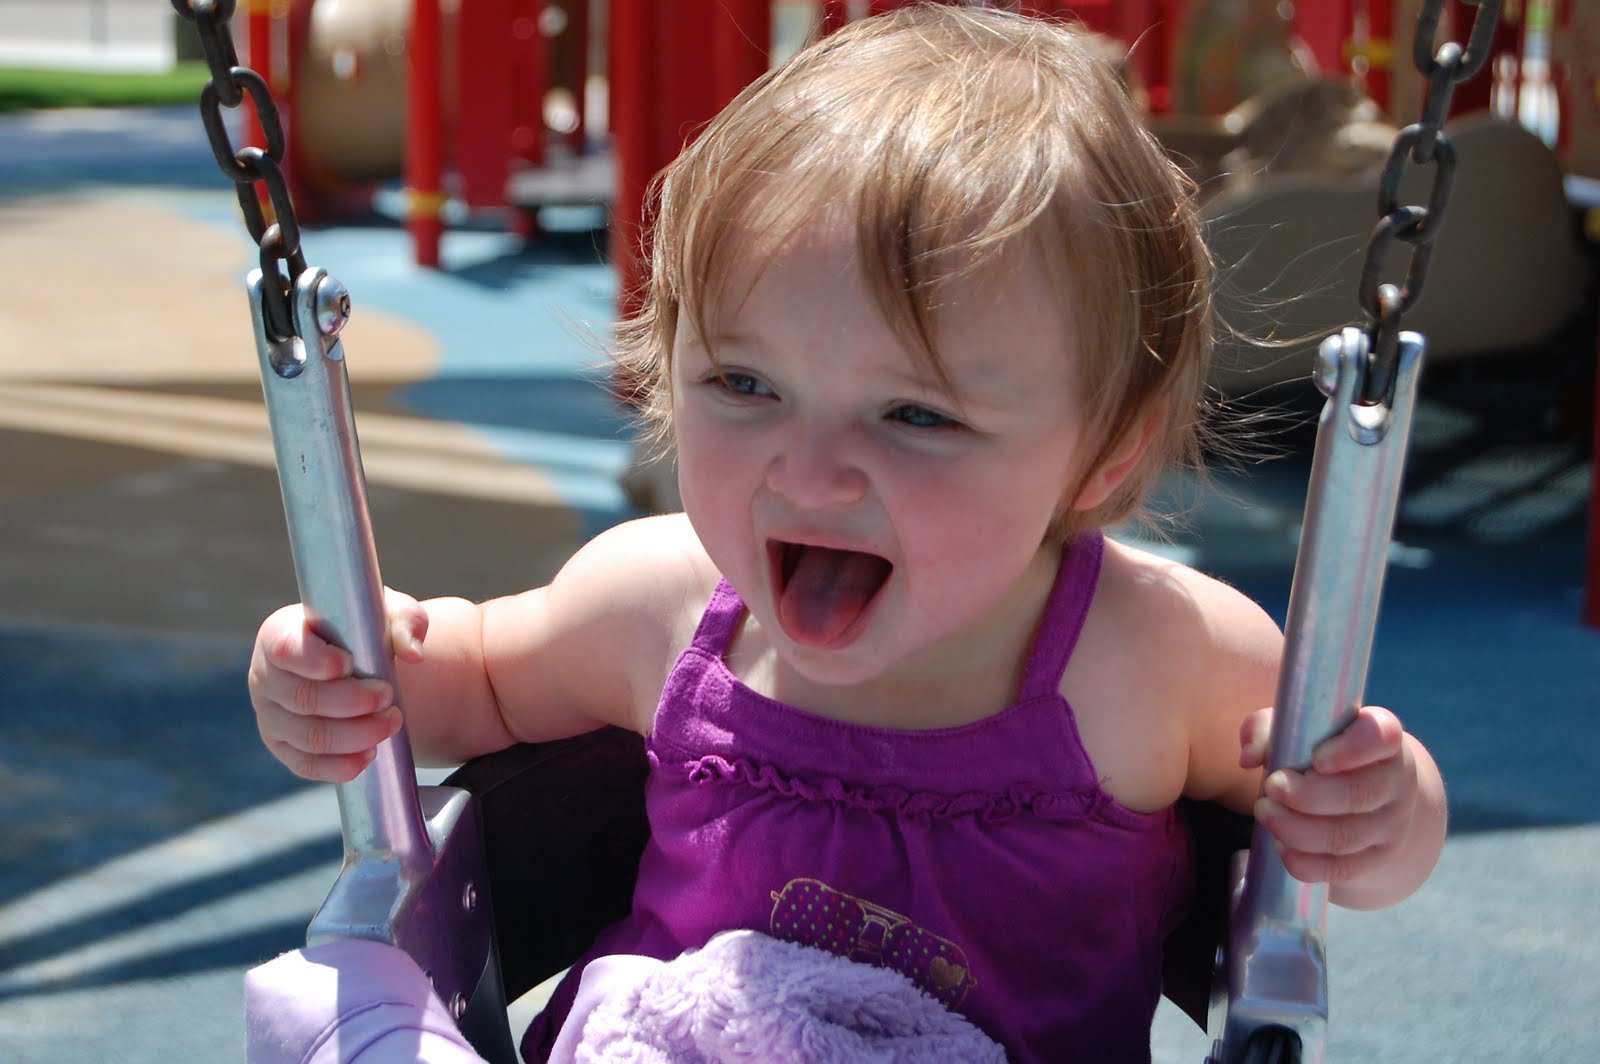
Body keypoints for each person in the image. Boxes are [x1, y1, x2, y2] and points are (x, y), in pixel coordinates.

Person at [246, 6, 1447, 1062]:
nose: (810, 472)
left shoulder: (1157, 654)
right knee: (338, 997)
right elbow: (468, 686)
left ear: (1103, 452)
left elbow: (1346, 850)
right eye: (745, 384)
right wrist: (349, 670)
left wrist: (1380, 808)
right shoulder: (658, 600)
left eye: (916, 414)